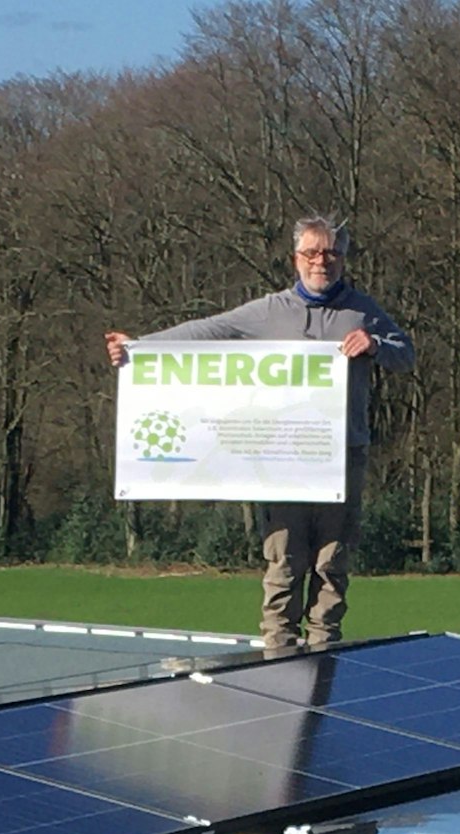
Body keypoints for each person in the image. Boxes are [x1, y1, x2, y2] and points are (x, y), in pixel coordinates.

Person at [105, 216, 414, 649]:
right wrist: (139, 346)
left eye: (330, 253)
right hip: (282, 461)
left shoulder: (363, 311)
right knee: (284, 563)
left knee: (333, 564)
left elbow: (407, 355)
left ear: (342, 259)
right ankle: (279, 654)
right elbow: (206, 330)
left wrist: (376, 345)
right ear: (296, 259)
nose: (320, 262)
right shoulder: (268, 310)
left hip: (343, 458)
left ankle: (325, 653)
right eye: (311, 253)